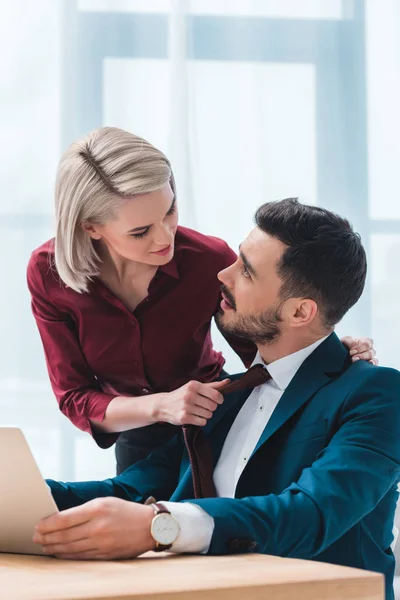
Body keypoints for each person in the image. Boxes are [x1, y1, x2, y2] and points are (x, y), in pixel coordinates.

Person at [36, 199, 400, 599]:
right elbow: (129, 491)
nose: (222, 274)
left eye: (245, 270)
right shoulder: (223, 396)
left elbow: (310, 515)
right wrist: (22, 495)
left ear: (300, 312)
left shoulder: (375, 394)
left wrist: (158, 525)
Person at [27, 127, 375, 475]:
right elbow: (75, 398)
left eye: (170, 210)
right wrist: (163, 406)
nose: (166, 236)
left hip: (218, 416)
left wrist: (325, 348)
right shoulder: (48, 273)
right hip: (135, 433)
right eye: (140, 231)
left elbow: (267, 345)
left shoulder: (208, 260)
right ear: (90, 227)